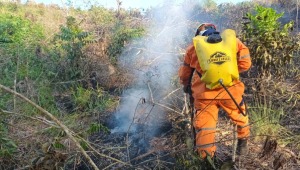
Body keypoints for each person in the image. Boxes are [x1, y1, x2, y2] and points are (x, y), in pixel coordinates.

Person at [178, 23, 251, 159]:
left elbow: (185, 74)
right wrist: (229, 73)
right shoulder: (233, 42)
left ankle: (206, 160)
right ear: (215, 30)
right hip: (231, 91)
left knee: (206, 127)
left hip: (205, 95)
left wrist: (186, 85)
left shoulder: (193, 48)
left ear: (198, 34)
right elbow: (246, 64)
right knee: (240, 117)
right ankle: (242, 146)